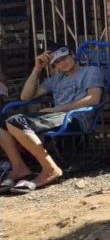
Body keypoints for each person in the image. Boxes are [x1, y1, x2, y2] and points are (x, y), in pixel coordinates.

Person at [0, 44, 103, 194]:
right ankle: (19, 168)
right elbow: (25, 97)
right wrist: (37, 68)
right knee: (3, 121)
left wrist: (55, 109)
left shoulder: (90, 71)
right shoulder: (56, 79)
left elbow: (93, 99)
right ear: (53, 65)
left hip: (75, 118)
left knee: (16, 121)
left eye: (64, 58)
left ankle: (50, 169)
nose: (62, 63)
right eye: (57, 62)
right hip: (55, 116)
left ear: (72, 55)